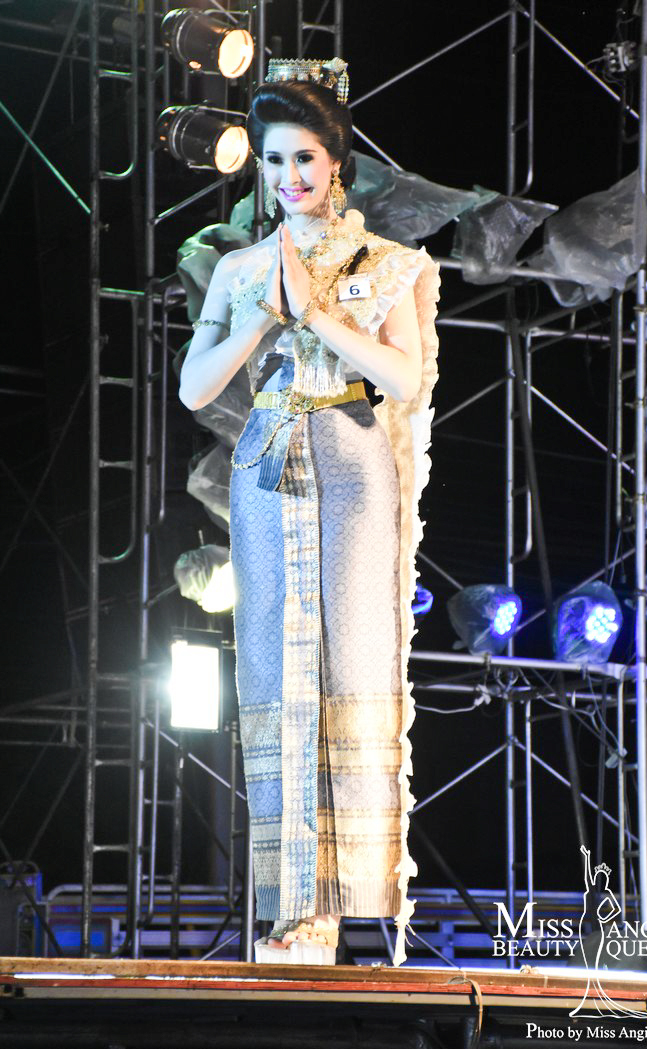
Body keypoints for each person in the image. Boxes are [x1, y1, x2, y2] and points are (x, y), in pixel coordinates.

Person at [178, 57, 440, 967]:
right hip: (267, 462)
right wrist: (262, 314)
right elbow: (195, 387)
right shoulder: (239, 266)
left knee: (349, 661)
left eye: (306, 159)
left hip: (353, 461)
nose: (290, 176)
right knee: (273, 668)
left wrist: (319, 312)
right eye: (275, 160)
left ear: (336, 165)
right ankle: (292, 910)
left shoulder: (391, 263)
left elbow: (405, 379)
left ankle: (347, 905)